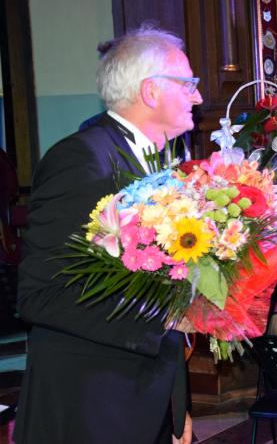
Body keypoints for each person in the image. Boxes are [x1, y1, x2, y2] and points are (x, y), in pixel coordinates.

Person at [14, 26, 202, 444]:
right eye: (188, 84)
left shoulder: (158, 162)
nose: (198, 96)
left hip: (144, 394)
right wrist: (167, 315)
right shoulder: (82, 159)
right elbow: (42, 294)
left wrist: (176, 406)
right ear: (150, 91)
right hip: (91, 401)